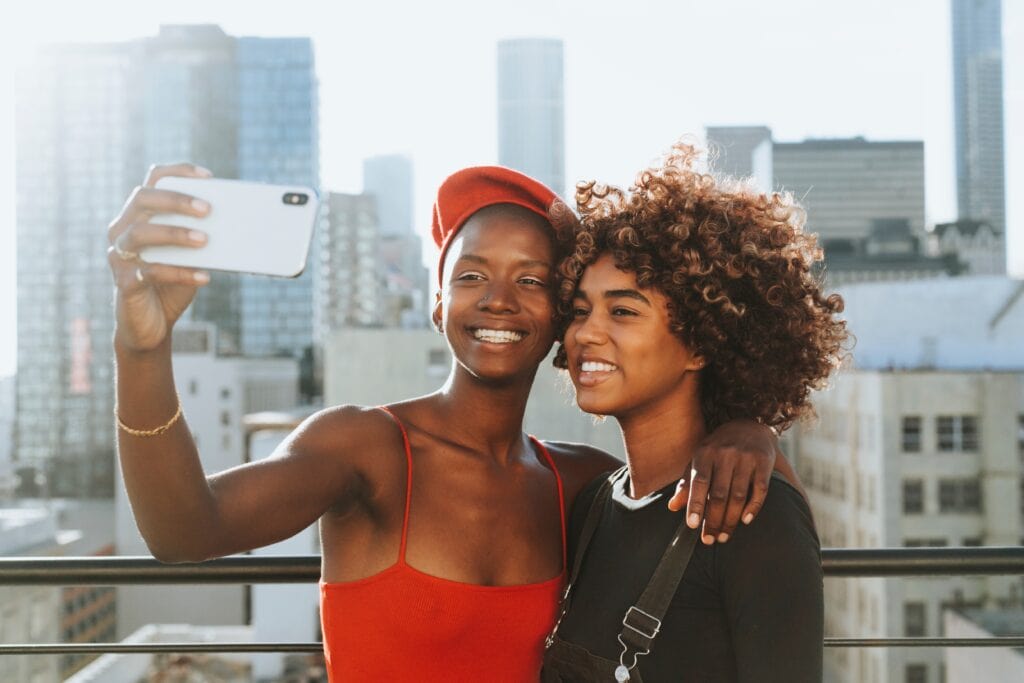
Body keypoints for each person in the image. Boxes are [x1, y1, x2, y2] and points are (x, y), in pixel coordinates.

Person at [106, 162, 789, 681]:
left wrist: (748, 427)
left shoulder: (586, 484)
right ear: (437, 304)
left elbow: (748, 531)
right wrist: (141, 349)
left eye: (530, 280)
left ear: (561, 316)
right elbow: (183, 528)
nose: (497, 300)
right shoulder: (364, 447)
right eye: (470, 276)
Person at [542, 142, 848, 682]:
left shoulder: (752, 514)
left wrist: (760, 435)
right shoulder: (593, 506)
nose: (585, 333)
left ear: (702, 343)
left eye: (623, 311)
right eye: (580, 309)